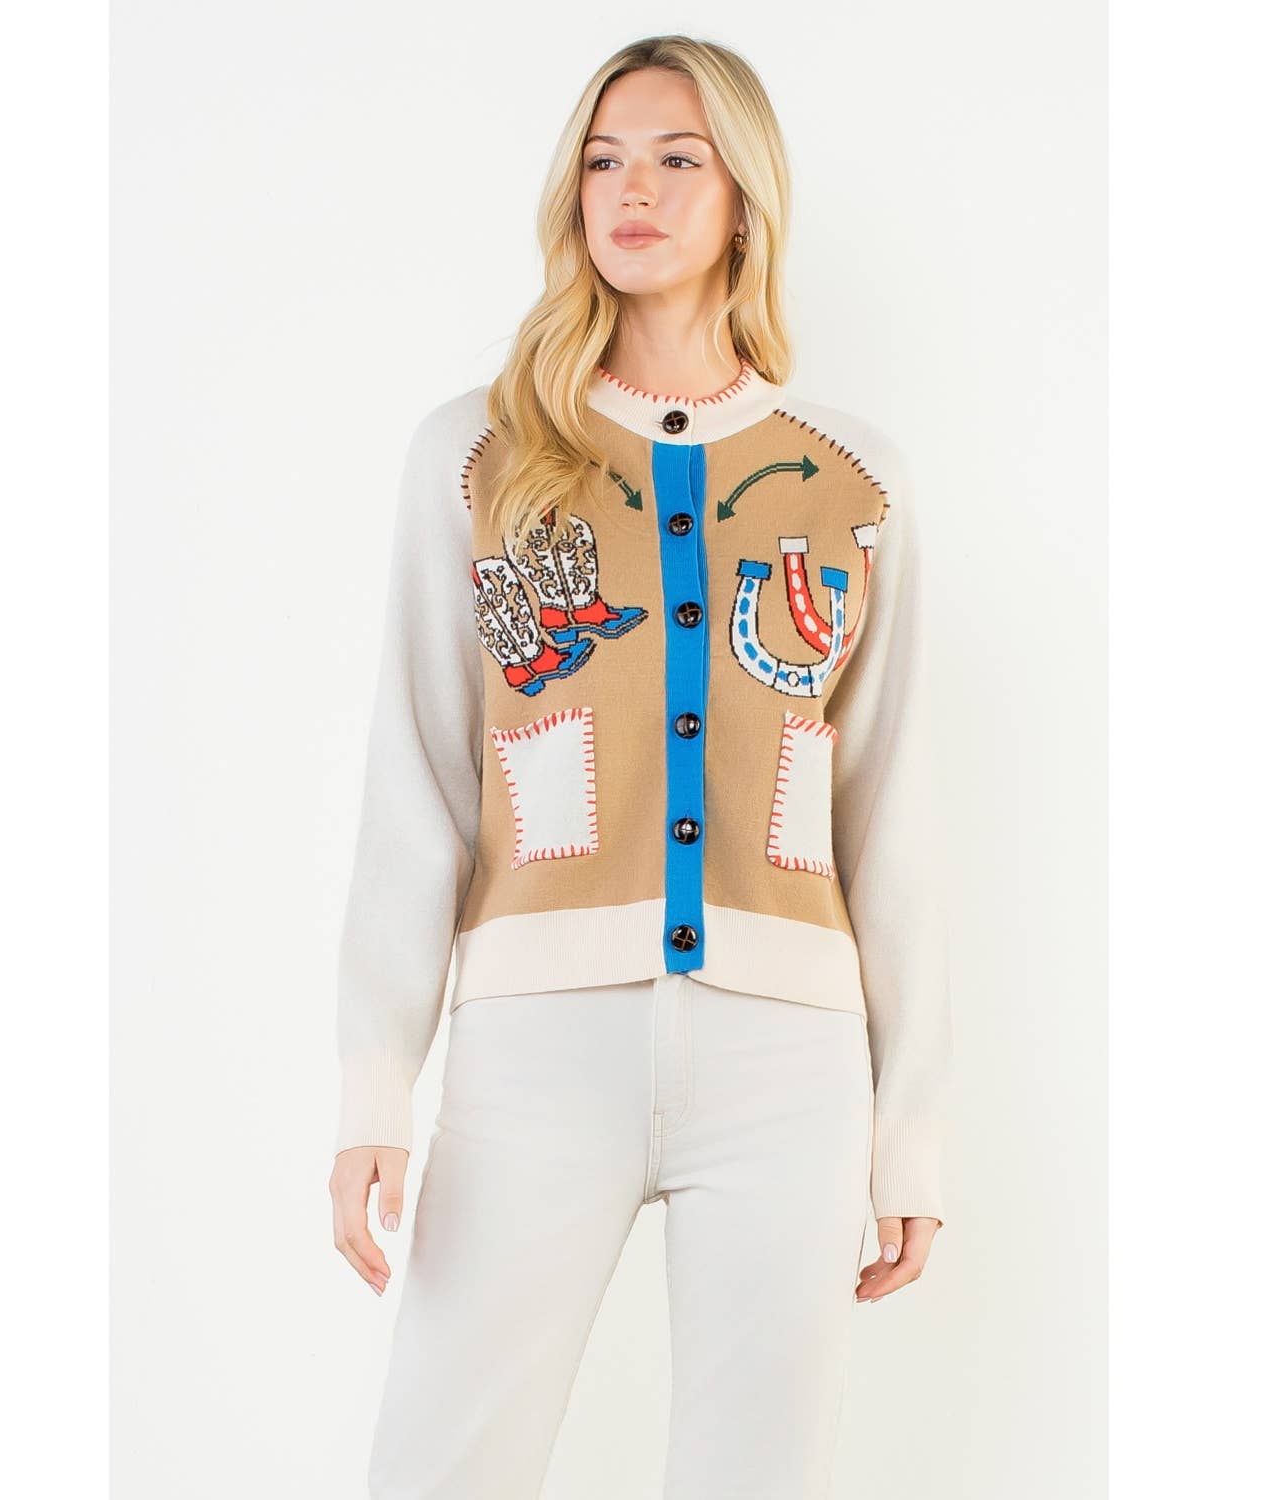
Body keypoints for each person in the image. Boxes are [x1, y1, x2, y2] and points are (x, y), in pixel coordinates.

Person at [328, 33, 953, 1500]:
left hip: (788, 1060)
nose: (635, 191)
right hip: (534, 1050)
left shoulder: (852, 476)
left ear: (745, 201)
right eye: (605, 160)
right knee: (440, 1465)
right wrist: (375, 1090)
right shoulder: (478, 456)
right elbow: (417, 788)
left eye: (679, 159)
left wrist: (908, 1137)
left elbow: (892, 819)